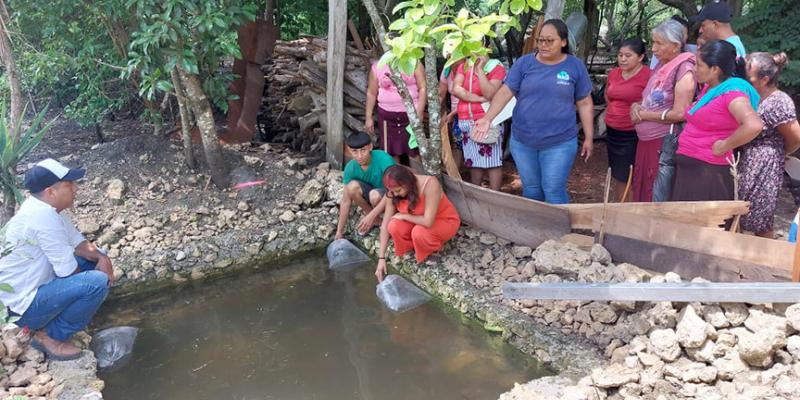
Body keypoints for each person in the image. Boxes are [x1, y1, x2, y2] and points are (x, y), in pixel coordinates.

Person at [0, 159, 113, 361]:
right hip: (22, 308)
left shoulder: (45, 209)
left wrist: (102, 257)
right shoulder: (42, 216)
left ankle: (61, 319)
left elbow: (79, 244)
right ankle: (51, 337)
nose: (76, 189)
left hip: (34, 290)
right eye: (69, 185)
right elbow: (68, 272)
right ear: (51, 192)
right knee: (96, 283)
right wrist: (91, 289)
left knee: (94, 263)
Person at [474, 19, 594, 204]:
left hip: (560, 141)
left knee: (553, 189)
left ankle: (558, 223)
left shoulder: (574, 66)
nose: (543, 45)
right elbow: (505, 92)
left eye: (550, 40)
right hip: (523, 141)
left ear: (563, 42)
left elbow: (585, 103)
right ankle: (535, 222)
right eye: (540, 40)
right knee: (532, 189)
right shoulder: (524, 63)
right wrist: (487, 118)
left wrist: (589, 137)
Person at [671, 40, 763, 202]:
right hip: (693, 169)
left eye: (699, 65)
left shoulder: (733, 93)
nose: (694, 69)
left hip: (708, 173)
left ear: (715, 69)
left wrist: (724, 146)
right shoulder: (711, 88)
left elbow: (754, 125)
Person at [630, 19, 696, 202]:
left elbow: (680, 113)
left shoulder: (685, 69)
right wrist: (636, 106)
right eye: (653, 42)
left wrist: (644, 115)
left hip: (662, 144)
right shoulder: (662, 65)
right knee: (643, 189)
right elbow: (650, 98)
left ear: (675, 46)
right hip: (646, 142)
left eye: (659, 43)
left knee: (656, 192)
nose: (653, 48)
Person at [740, 52, 800, 238]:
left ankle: (763, 254)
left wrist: (779, 154)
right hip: (745, 162)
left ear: (764, 79)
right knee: (740, 214)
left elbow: (795, 137)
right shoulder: (749, 95)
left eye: (748, 77)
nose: (744, 80)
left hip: (765, 165)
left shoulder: (779, 101)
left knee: (761, 219)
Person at [375, 166, 460, 281]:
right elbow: (385, 226)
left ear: (407, 183)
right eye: (392, 192)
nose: (395, 195)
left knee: (419, 232)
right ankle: (414, 247)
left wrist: (404, 216)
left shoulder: (430, 184)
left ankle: (434, 248)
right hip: (416, 219)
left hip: (444, 220)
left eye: (398, 191)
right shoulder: (392, 191)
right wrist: (381, 258)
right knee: (393, 225)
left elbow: (428, 222)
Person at [452, 53, 507, 190]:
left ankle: (495, 196)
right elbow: (456, 89)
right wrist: (478, 99)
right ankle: (476, 194)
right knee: (473, 160)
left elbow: (489, 93)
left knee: (493, 161)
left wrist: (480, 70)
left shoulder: (496, 67)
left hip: (488, 119)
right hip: (466, 118)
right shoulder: (464, 66)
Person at [604, 38, 651, 200]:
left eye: (628, 55)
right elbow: (608, 94)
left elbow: (652, 101)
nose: (623, 59)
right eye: (620, 55)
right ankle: (620, 205)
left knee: (629, 175)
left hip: (633, 133)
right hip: (612, 131)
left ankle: (628, 209)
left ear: (640, 57)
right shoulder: (614, 73)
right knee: (618, 174)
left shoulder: (648, 75)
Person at [365, 57, 427, 165]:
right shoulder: (378, 66)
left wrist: (420, 112)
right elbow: (371, 93)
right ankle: (395, 175)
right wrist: (368, 117)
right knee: (390, 152)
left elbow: (423, 88)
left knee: (414, 151)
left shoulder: (414, 62)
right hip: (387, 118)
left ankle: (417, 175)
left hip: (411, 117)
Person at [335, 131, 396, 239]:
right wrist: (339, 232)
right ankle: (376, 220)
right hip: (372, 196)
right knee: (351, 187)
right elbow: (346, 200)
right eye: (355, 151)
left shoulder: (383, 158)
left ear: (370, 147)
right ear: (349, 150)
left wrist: (370, 216)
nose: (359, 156)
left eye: (363, 150)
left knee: (374, 195)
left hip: (392, 195)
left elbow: (394, 191)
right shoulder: (350, 167)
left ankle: (375, 219)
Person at [438, 58, 466, 168]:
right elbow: (441, 94)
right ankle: (455, 173)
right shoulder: (447, 69)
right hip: (455, 114)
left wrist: (452, 113)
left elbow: (470, 97)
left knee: (464, 144)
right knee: (457, 144)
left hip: (470, 112)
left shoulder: (469, 68)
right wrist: (438, 111)